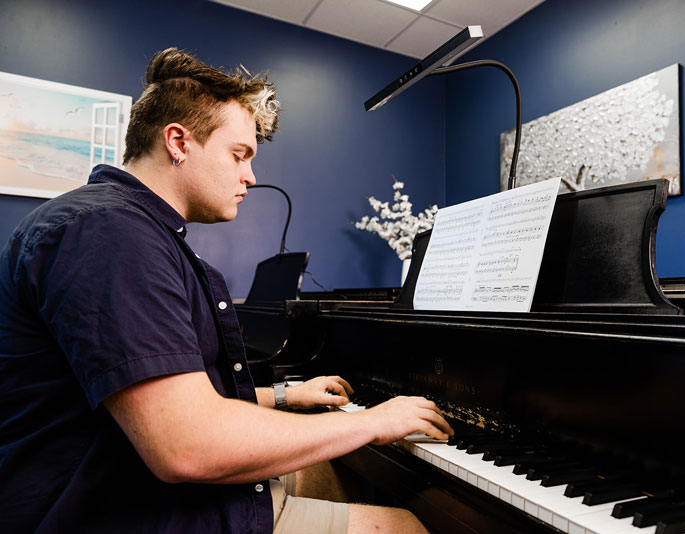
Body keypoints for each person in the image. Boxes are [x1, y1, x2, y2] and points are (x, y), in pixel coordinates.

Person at [0, 47, 453, 534]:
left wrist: (284, 396)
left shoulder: (128, 228)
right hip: (118, 509)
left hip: (134, 483)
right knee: (409, 525)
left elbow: (165, 398)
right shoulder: (109, 234)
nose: (251, 177)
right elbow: (187, 444)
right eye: (239, 155)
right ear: (178, 141)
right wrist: (371, 422)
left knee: (328, 469)